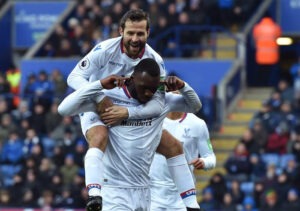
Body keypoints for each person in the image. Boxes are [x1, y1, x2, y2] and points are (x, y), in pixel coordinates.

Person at [58, 58, 202, 210]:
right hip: (114, 190)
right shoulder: (110, 100)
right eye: (143, 87)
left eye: (152, 88)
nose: (147, 92)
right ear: (132, 79)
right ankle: (94, 194)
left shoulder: (162, 101)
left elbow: (195, 106)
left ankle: (191, 205)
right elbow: (64, 109)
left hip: (144, 190)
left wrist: (183, 86)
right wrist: (98, 86)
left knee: (174, 146)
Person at [65, 9, 172, 210]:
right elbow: (74, 77)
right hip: (99, 104)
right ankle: (95, 195)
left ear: (148, 33)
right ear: (120, 30)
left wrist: (127, 113)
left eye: (140, 33)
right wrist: (99, 97)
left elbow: (158, 103)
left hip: (130, 109)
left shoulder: (155, 61)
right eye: (130, 33)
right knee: (99, 135)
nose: (134, 38)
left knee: (172, 145)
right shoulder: (104, 50)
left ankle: (188, 202)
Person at [149, 107, 216, 211]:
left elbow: (210, 157)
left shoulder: (197, 124)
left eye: (178, 90)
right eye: (170, 90)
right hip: (153, 192)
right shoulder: (153, 120)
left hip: (182, 195)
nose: (174, 92)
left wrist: (204, 162)